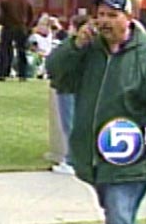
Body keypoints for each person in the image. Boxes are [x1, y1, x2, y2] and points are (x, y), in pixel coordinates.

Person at [47, 0, 146, 224]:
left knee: (119, 216)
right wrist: (74, 44)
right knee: (113, 212)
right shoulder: (89, 51)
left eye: (113, 15)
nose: (104, 21)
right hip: (96, 155)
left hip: (133, 157)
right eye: (101, 15)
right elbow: (56, 72)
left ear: (129, 18)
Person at [50, 13, 89, 176]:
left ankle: (72, 160)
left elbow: (53, 64)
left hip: (69, 88)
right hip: (76, 88)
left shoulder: (71, 46)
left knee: (71, 125)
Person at [0, 0, 35, 81]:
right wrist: (28, 27)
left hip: (8, 27)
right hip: (21, 27)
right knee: (22, 51)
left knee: (5, 50)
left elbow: (1, 16)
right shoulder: (27, 0)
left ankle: (3, 73)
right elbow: (31, 16)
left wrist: (3, 23)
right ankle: (22, 74)